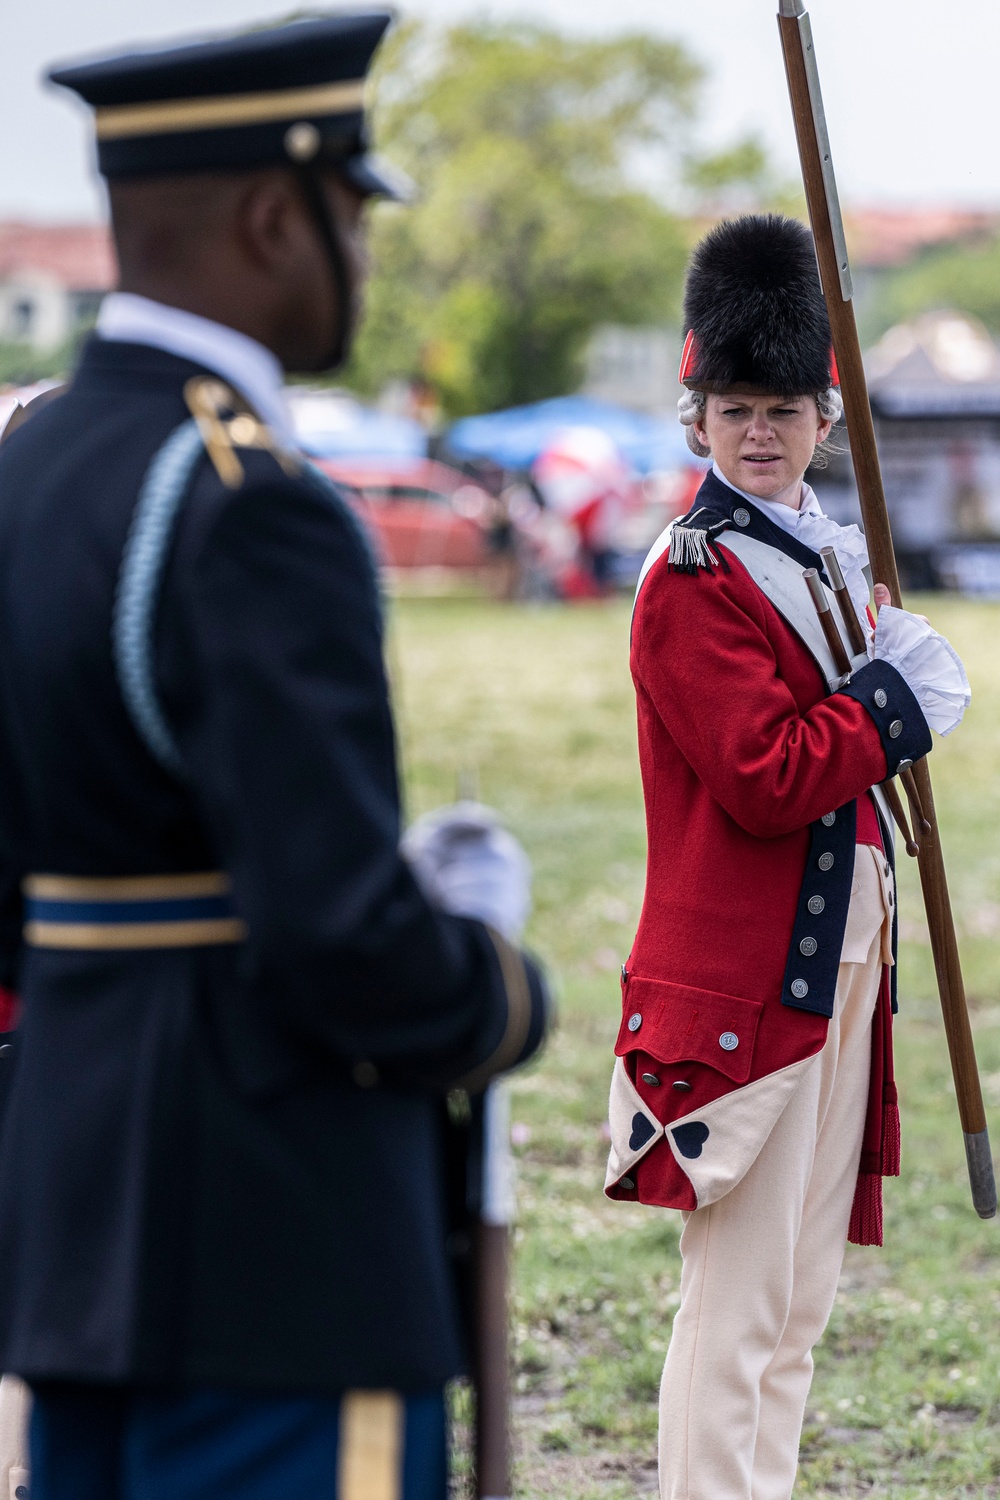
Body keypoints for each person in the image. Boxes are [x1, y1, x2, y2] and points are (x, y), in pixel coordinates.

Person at [0, 14, 548, 1500]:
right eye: (352, 213)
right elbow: (335, 936)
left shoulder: (28, 472)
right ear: (269, 217)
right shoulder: (251, 497)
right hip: (275, 1238)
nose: (363, 255)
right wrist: (494, 984)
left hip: (72, 1220)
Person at [603, 215, 970, 1500]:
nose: (760, 432)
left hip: (835, 958)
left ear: (826, 414)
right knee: (742, 1305)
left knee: (798, 1306)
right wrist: (889, 705)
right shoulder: (693, 576)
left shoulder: (815, 551)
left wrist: (875, 672)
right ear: (696, 417)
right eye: (734, 406)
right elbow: (764, 779)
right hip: (746, 983)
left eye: (785, 407)